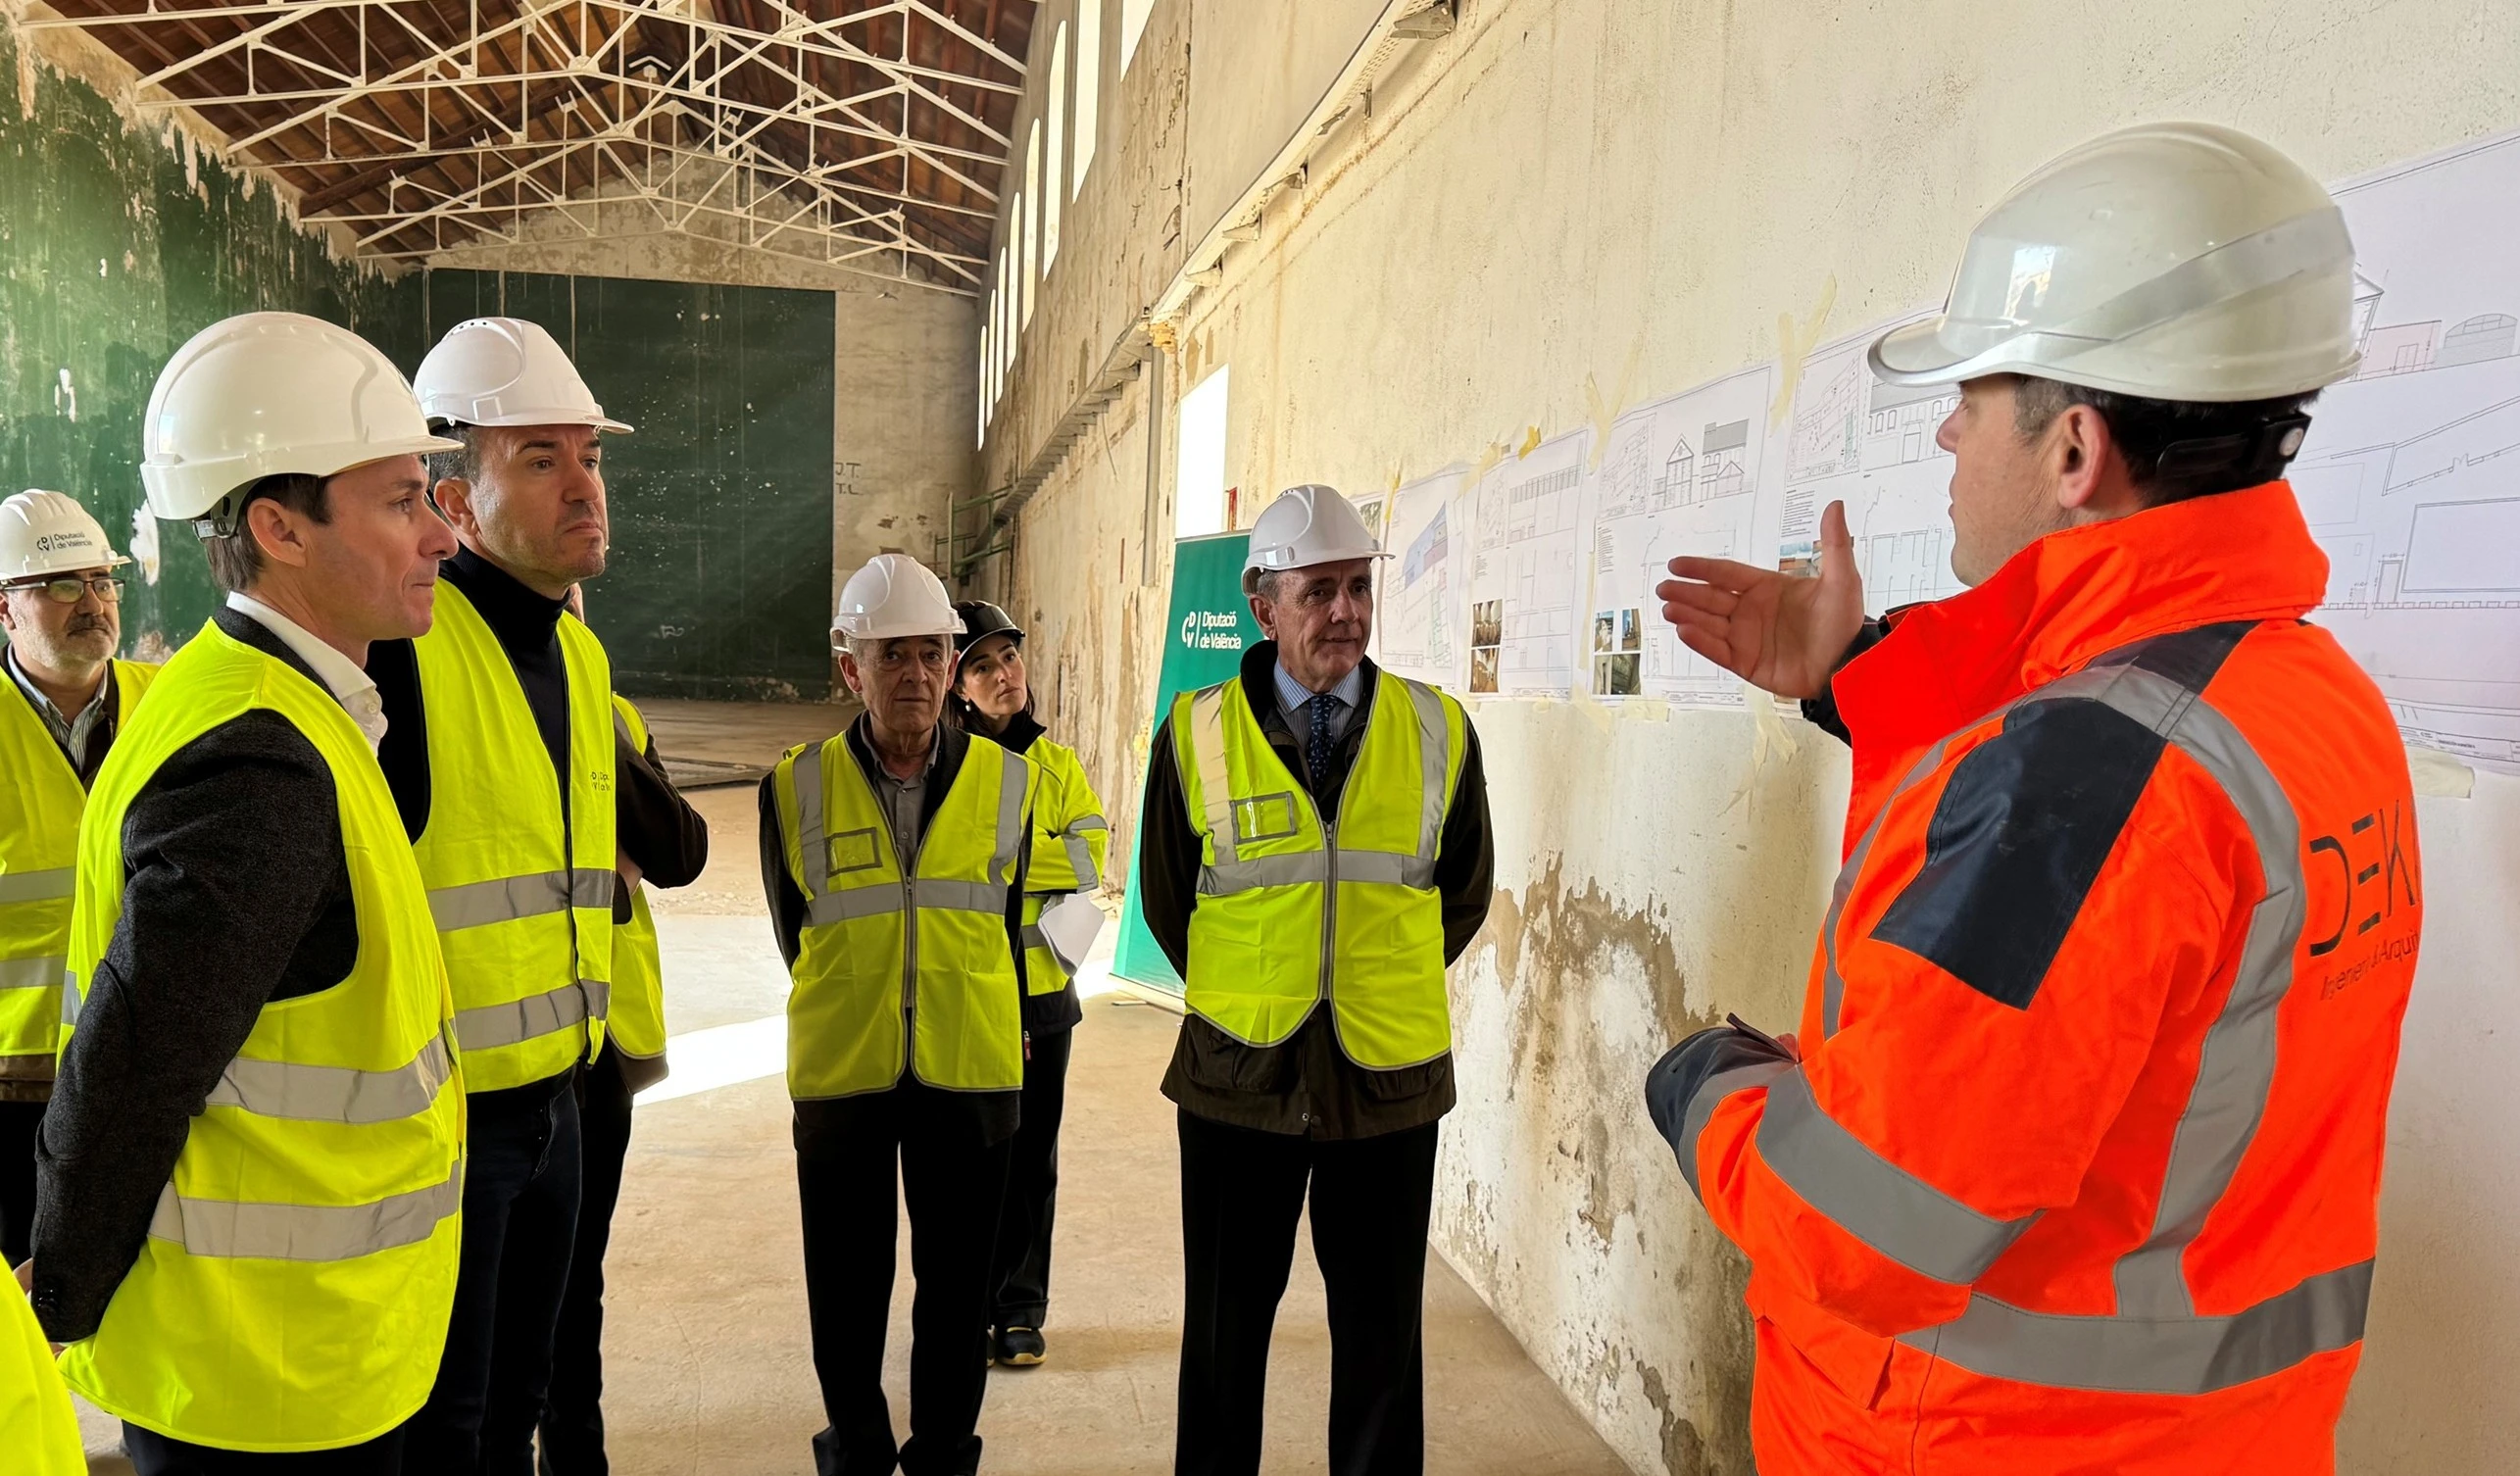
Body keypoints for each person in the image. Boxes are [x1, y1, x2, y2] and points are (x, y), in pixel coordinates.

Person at [1645, 122, 2423, 1475]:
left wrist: (1704, 1084)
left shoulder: (2086, 783)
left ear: (2073, 450)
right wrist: (1856, 676)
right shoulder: (2310, 700)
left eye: (1972, 394)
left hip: (1973, 1440)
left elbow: (1862, 1228)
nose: (1947, 432)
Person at [27, 310, 468, 1472]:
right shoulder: (256, 762)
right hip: (260, 1376)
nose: (442, 534)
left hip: (292, 1351)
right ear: (279, 528)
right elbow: (135, 1062)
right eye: (401, 501)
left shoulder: (259, 697)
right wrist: (59, 1290)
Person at [378, 315, 702, 1472]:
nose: (585, 487)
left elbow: (653, 856)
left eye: (590, 456)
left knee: (522, 1395)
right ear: (455, 503)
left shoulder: (576, 654)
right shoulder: (404, 652)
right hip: (447, 1123)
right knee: (447, 1431)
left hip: (563, 1094)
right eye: (539, 459)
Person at [1138, 484, 1494, 1476]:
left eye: (1358, 588)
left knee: (1383, 1342)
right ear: (1264, 605)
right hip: (1236, 1079)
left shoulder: (1438, 728)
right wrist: (1261, 985)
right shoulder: (1194, 732)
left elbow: (1462, 892)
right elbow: (1169, 900)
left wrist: (1368, 979)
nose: (1346, 612)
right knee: (1223, 1336)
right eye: (1319, 592)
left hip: (1389, 1083)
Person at [760, 554, 1037, 1476]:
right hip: (845, 1072)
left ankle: (944, 1455)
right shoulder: (793, 785)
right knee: (845, 1292)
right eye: (891, 655)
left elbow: (1011, 921)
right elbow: (794, 929)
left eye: (930, 653)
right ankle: (860, 1450)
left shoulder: (1008, 781)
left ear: (951, 665)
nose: (914, 673)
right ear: (852, 669)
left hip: (970, 1068)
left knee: (957, 1293)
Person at [537, 587, 710, 1475]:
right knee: (493, 1289)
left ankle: (577, 1454)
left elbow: (671, 851)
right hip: (484, 1055)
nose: (567, 614)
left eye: (571, 600)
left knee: (577, 1276)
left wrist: (581, 708)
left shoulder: (613, 713)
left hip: (602, 1042)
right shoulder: (440, 701)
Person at [946, 599, 1110, 1370]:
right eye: (981, 665)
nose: (1003, 673)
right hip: (966, 990)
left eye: (1007, 657)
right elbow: (945, 866)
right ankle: (963, 1308)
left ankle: (1019, 1310)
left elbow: (1088, 859)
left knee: (1032, 1160)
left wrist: (1003, 860)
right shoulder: (945, 766)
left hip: (1042, 992)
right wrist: (1030, 854)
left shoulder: (1059, 765)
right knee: (967, 1161)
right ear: (958, 686)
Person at [0, 489, 159, 1269]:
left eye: (101, 580)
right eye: (60, 585)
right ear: (5, 608)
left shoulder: (170, 704)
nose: (92, 603)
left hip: (150, 1068)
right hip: (16, 1084)